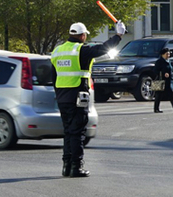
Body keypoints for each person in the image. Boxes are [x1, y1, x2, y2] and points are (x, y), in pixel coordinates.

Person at [51, 20, 125, 178]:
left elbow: (54, 76)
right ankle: (76, 167)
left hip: (62, 97)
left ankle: (66, 166)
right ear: (82, 35)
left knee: (68, 132)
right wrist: (118, 35)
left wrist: (59, 93)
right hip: (77, 96)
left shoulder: (57, 51)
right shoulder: (81, 50)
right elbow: (103, 49)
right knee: (78, 132)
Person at [153, 47, 173, 114]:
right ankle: (156, 108)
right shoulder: (159, 62)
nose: (168, 55)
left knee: (172, 94)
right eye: (167, 54)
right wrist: (163, 74)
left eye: (169, 54)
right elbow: (155, 71)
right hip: (162, 81)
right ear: (162, 54)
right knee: (158, 95)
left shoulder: (168, 61)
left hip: (169, 81)